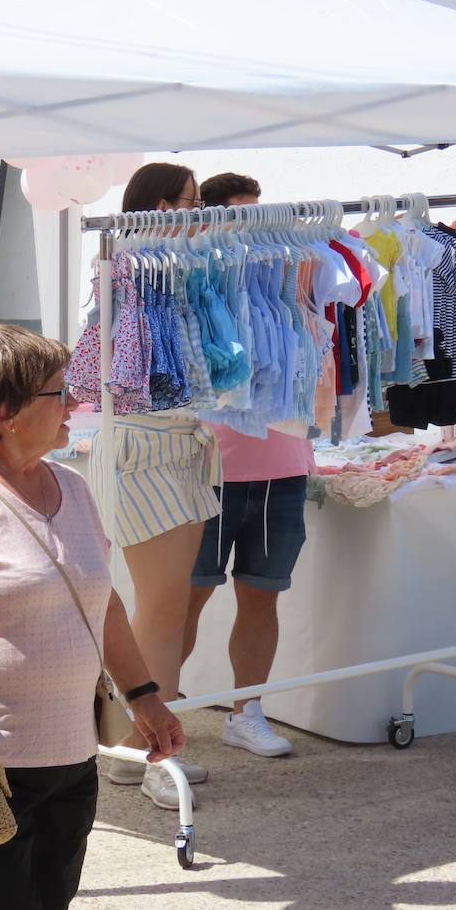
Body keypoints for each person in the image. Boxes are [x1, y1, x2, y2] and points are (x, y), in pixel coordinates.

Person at [0, 324, 185, 910]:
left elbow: (105, 603)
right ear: (6, 411)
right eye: (60, 392)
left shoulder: (74, 486)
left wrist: (145, 695)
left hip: (71, 756)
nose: (74, 404)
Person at [88, 162, 221, 809]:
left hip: (167, 441)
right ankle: (149, 755)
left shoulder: (157, 264)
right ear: (160, 205)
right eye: (192, 202)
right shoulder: (145, 265)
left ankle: (131, 744)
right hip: (151, 444)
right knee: (162, 607)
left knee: (157, 605)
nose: (200, 214)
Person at [181, 171, 313, 757]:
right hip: (208, 466)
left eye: (258, 211)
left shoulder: (291, 264)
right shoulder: (192, 271)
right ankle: (154, 717)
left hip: (282, 463)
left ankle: (247, 711)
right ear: (211, 216)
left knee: (262, 594)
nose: (253, 224)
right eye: (242, 212)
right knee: (184, 599)